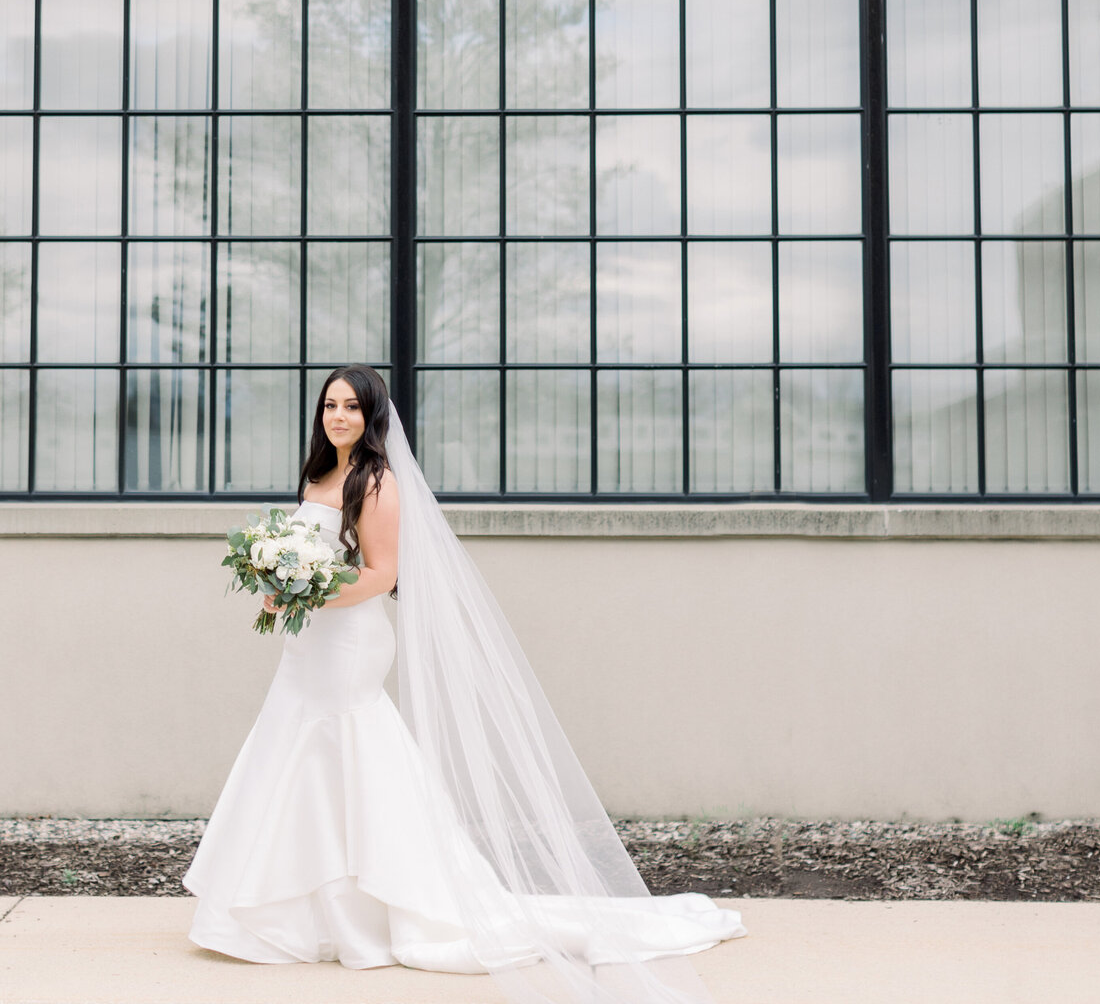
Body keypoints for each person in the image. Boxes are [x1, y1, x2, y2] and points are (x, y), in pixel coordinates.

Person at [185, 364, 745, 1001]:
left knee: (343, 749)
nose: (338, 416)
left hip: (349, 645)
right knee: (292, 748)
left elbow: (380, 575)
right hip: (306, 647)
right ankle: (302, 908)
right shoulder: (317, 475)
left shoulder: (377, 482)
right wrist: (273, 590)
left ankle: (381, 901)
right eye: (329, 405)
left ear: (373, 416)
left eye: (351, 407)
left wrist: (305, 594)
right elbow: (304, 557)